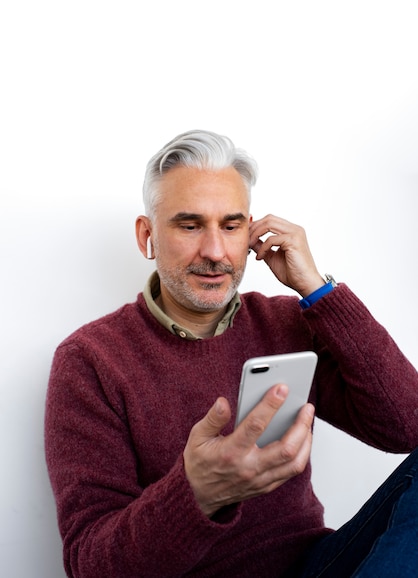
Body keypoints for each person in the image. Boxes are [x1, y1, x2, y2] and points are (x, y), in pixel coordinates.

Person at [45, 130, 418, 578]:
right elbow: (90, 565)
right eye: (189, 225)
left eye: (230, 225)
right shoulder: (89, 360)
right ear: (147, 235)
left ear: (252, 231)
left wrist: (318, 290)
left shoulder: (287, 321)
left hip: (315, 567)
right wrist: (198, 493)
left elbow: (406, 428)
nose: (215, 252)